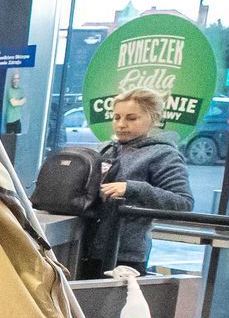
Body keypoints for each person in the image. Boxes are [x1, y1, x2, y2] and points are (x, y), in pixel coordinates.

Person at [81, 88, 194, 277]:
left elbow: (183, 202)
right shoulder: (105, 150)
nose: (121, 124)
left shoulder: (163, 154)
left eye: (131, 118)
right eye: (116, 117)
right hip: (86, 248)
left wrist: (131, 189)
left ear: (153, 117)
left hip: (126, 255)